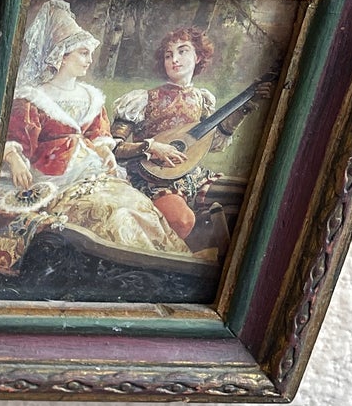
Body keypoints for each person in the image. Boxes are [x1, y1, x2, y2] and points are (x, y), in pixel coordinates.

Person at [0, 0, 187, 279]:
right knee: (114, 213)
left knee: (137, 204)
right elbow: (14, 140)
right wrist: (13, 158)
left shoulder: (91, 97)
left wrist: (106, 151)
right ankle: (137, 272)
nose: (89, 59)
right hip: (55, 181)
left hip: (94, 175)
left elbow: (100, 136)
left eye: (89, 53)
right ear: (61, 56)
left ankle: (169, 267)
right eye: (82, 53)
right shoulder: (31, 99)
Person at [110, 26, 265, 246]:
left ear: (199, 56)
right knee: (182, 220)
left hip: (192, 175)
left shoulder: (203, 100)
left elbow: (214, 142)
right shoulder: (142, 99)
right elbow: (114, 146)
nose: (174, 59)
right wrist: (151, 147)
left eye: (182, 51)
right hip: (152, 179)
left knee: (246, 196)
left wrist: (244, 108)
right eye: (168, 55)